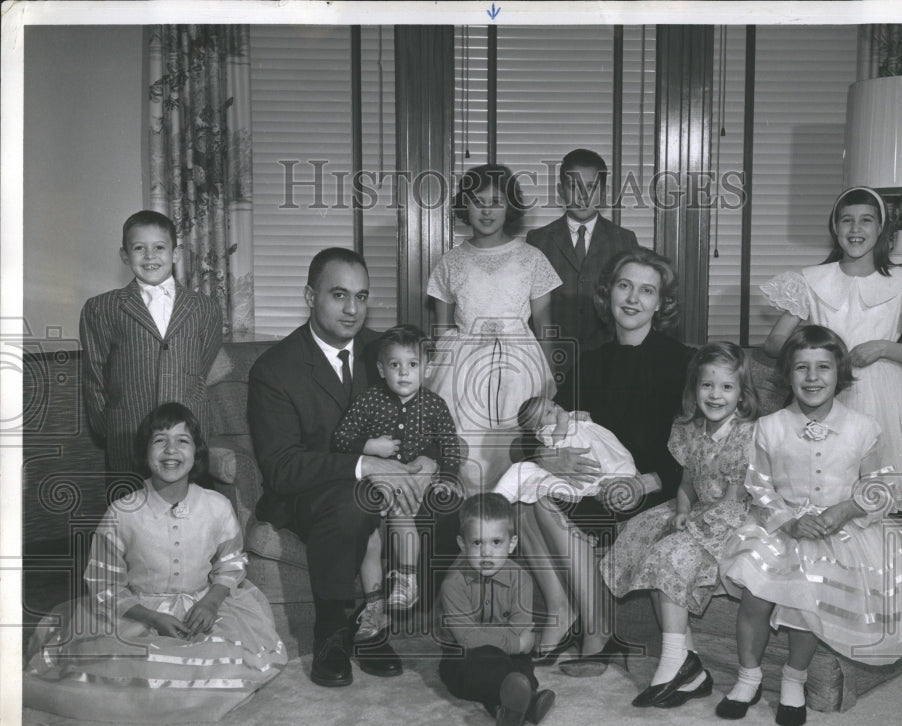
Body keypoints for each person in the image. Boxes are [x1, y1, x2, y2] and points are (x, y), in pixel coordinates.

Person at [716, 326, 902, 726]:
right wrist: (786, 520)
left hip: (838, 530)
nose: (812, 377)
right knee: (756, 595)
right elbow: (758, 484)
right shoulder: (770, 426)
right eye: (801, 368)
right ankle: (749, 676)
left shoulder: (863, 427)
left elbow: (878, 485)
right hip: (784, 527)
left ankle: (795, 678)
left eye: (822, 367)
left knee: (809, 596)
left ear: (839, 373)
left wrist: (846, 509)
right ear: (787, 374)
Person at [23, 403, 287, 723]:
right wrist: (152, 618)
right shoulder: (122, 512)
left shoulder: (216, 506)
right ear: (145, 452)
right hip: (137, 611)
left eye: (182, 440)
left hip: (203, 604)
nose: (171, 450)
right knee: (126, 667)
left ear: (196, 452)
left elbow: (230, 563)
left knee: (227, 659)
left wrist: (211, 603)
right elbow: (103, 581)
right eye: (160, 440)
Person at [248, 248, 437, 688]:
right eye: (339, 295)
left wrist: (429, 460)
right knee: (352, 504)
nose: (353, 309)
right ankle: (332, 632)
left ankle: (384, 624)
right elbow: (281, 467)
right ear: (310, 295)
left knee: (444, 496)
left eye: (362, 296)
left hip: (385, 484)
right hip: (307, 493)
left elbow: (425, 415)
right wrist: (365, 464)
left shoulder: (386, 351)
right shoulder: (275, 369)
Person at [515, 248, 696, 671]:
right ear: (608, 293)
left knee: (539, 500)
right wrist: (546, 456)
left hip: (652, 490)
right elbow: (540, 425)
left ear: (661, 303)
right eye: (624, 285)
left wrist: (644, 483)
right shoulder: (591, 362)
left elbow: (697, 455)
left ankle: (598, 632)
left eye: (647, 290)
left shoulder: (682, 362)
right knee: (521, 491)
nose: (633, 299)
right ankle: (562, 611)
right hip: (594, 485)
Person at [760, 186, 902, 512]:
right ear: (835, 229)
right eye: (846, 220)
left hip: (889, 400)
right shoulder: (811, 280)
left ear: (881, 229)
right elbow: (773, 343)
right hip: (826, 390)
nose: (855, 228)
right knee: (825, 490)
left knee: (880, 495)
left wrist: (885, 348)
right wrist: (822, 354)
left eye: (866, 220)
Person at [601, 342, 759, 709]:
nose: (715, 395)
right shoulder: (690, 428)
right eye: (707, 386)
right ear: (695, 389)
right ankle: (688, 664)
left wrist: (694, 525)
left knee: (669, 553)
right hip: (698, 507)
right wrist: (682, 511)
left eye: (726, 387)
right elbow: (686, 482)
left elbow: (734, 499)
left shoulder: (746, 434)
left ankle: (675, 662)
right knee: (640, 535)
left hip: (729, 516)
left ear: (741, 393)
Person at [425, 164, 562, 491]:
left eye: (496, 202)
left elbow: (544, 326)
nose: (486, 210)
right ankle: (470, 526)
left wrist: (552, 376)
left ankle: (513, 526)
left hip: (519, 366)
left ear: (510, 206)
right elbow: (441, 329)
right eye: (477, 201)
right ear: (465, 205)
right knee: (465, 450)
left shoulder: (532, 258)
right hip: (462, 369)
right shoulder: (450, 262)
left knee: (515, 449)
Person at [332, 324, 463, 617]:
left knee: (402, 515)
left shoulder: (434, 405)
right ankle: (374, 600)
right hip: (374, 483)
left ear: (426, 368)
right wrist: (370, 445)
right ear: (381, 369)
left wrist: (448, 478)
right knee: (368, 535)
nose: (404, 373)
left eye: (412, 364)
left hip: (412, 483)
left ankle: (406, 580)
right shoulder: (368, 401)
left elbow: (450, 445)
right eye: (395, 365)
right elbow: (340, 439)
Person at [80, 210, 223, 478]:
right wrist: (110, 429)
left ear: (176, 254)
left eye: (159, 247)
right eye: (138, 248)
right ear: (124, 255)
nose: (150, 256)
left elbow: (203, 365)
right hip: (129, 434)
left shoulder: (205, 307)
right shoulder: (101, 308)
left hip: (186, 433)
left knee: (187, 512)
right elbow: (95, 377)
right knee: (132, 513)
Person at [435, 493, 556, 726]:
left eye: (496, 542)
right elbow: (468, 639)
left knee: (521, 669)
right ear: (462, 543)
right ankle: (527, 702)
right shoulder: (453, 583)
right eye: (477, 543)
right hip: (463, 656)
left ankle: (508, 710)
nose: (486, 552)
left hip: (510, 658)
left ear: (512, 544)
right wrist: (515, 643)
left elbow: (521, 627)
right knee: (477, 665)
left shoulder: (520, 578)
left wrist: (517, 645)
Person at [526, 148, 640, 350]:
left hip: (609, 356)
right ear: (561, 191)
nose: (583, 196)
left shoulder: (624, 240)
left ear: (603, 193)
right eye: (573, 186)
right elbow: (531, 310)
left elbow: (633, 304)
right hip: (554, 356)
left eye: (591, 187)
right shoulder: (538, 240)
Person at [493, 396, 637, 504]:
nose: (556, 410)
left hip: (596, 445)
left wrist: (583, 418)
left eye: (554, 405)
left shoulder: (567, 415)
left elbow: (585, 424)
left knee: (612, 460)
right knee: (595, 474)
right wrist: (562, 423)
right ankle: (605, 486)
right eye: (549, 413)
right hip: (579, 459)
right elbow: (555, 442)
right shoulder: (546, 431)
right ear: (538, 427)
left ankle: (618, 477)